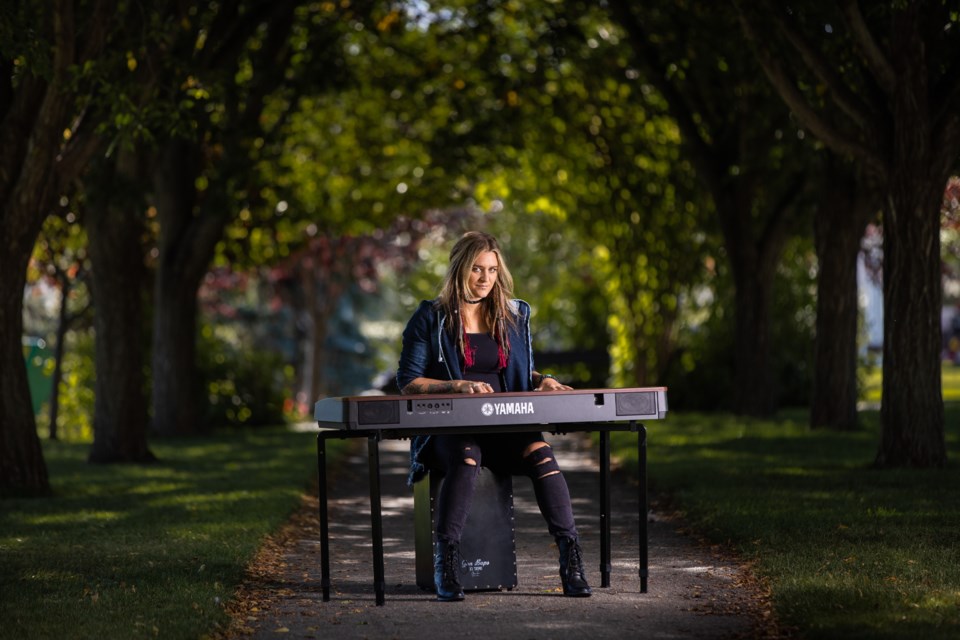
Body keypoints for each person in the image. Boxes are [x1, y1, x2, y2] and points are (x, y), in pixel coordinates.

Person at [396, 230, 592, 602]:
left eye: (491, 270)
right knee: (467, 454)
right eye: (476, 269)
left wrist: (544, 380)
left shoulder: (514, 314)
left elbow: (522, 371)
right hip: (450, 431)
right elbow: (408, 382)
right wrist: (455, 386)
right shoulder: (430, 317)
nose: (485, 279)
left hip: (506, 425)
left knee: (542, 454)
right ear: (458, 269)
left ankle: (571, 558)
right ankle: (447, 562)